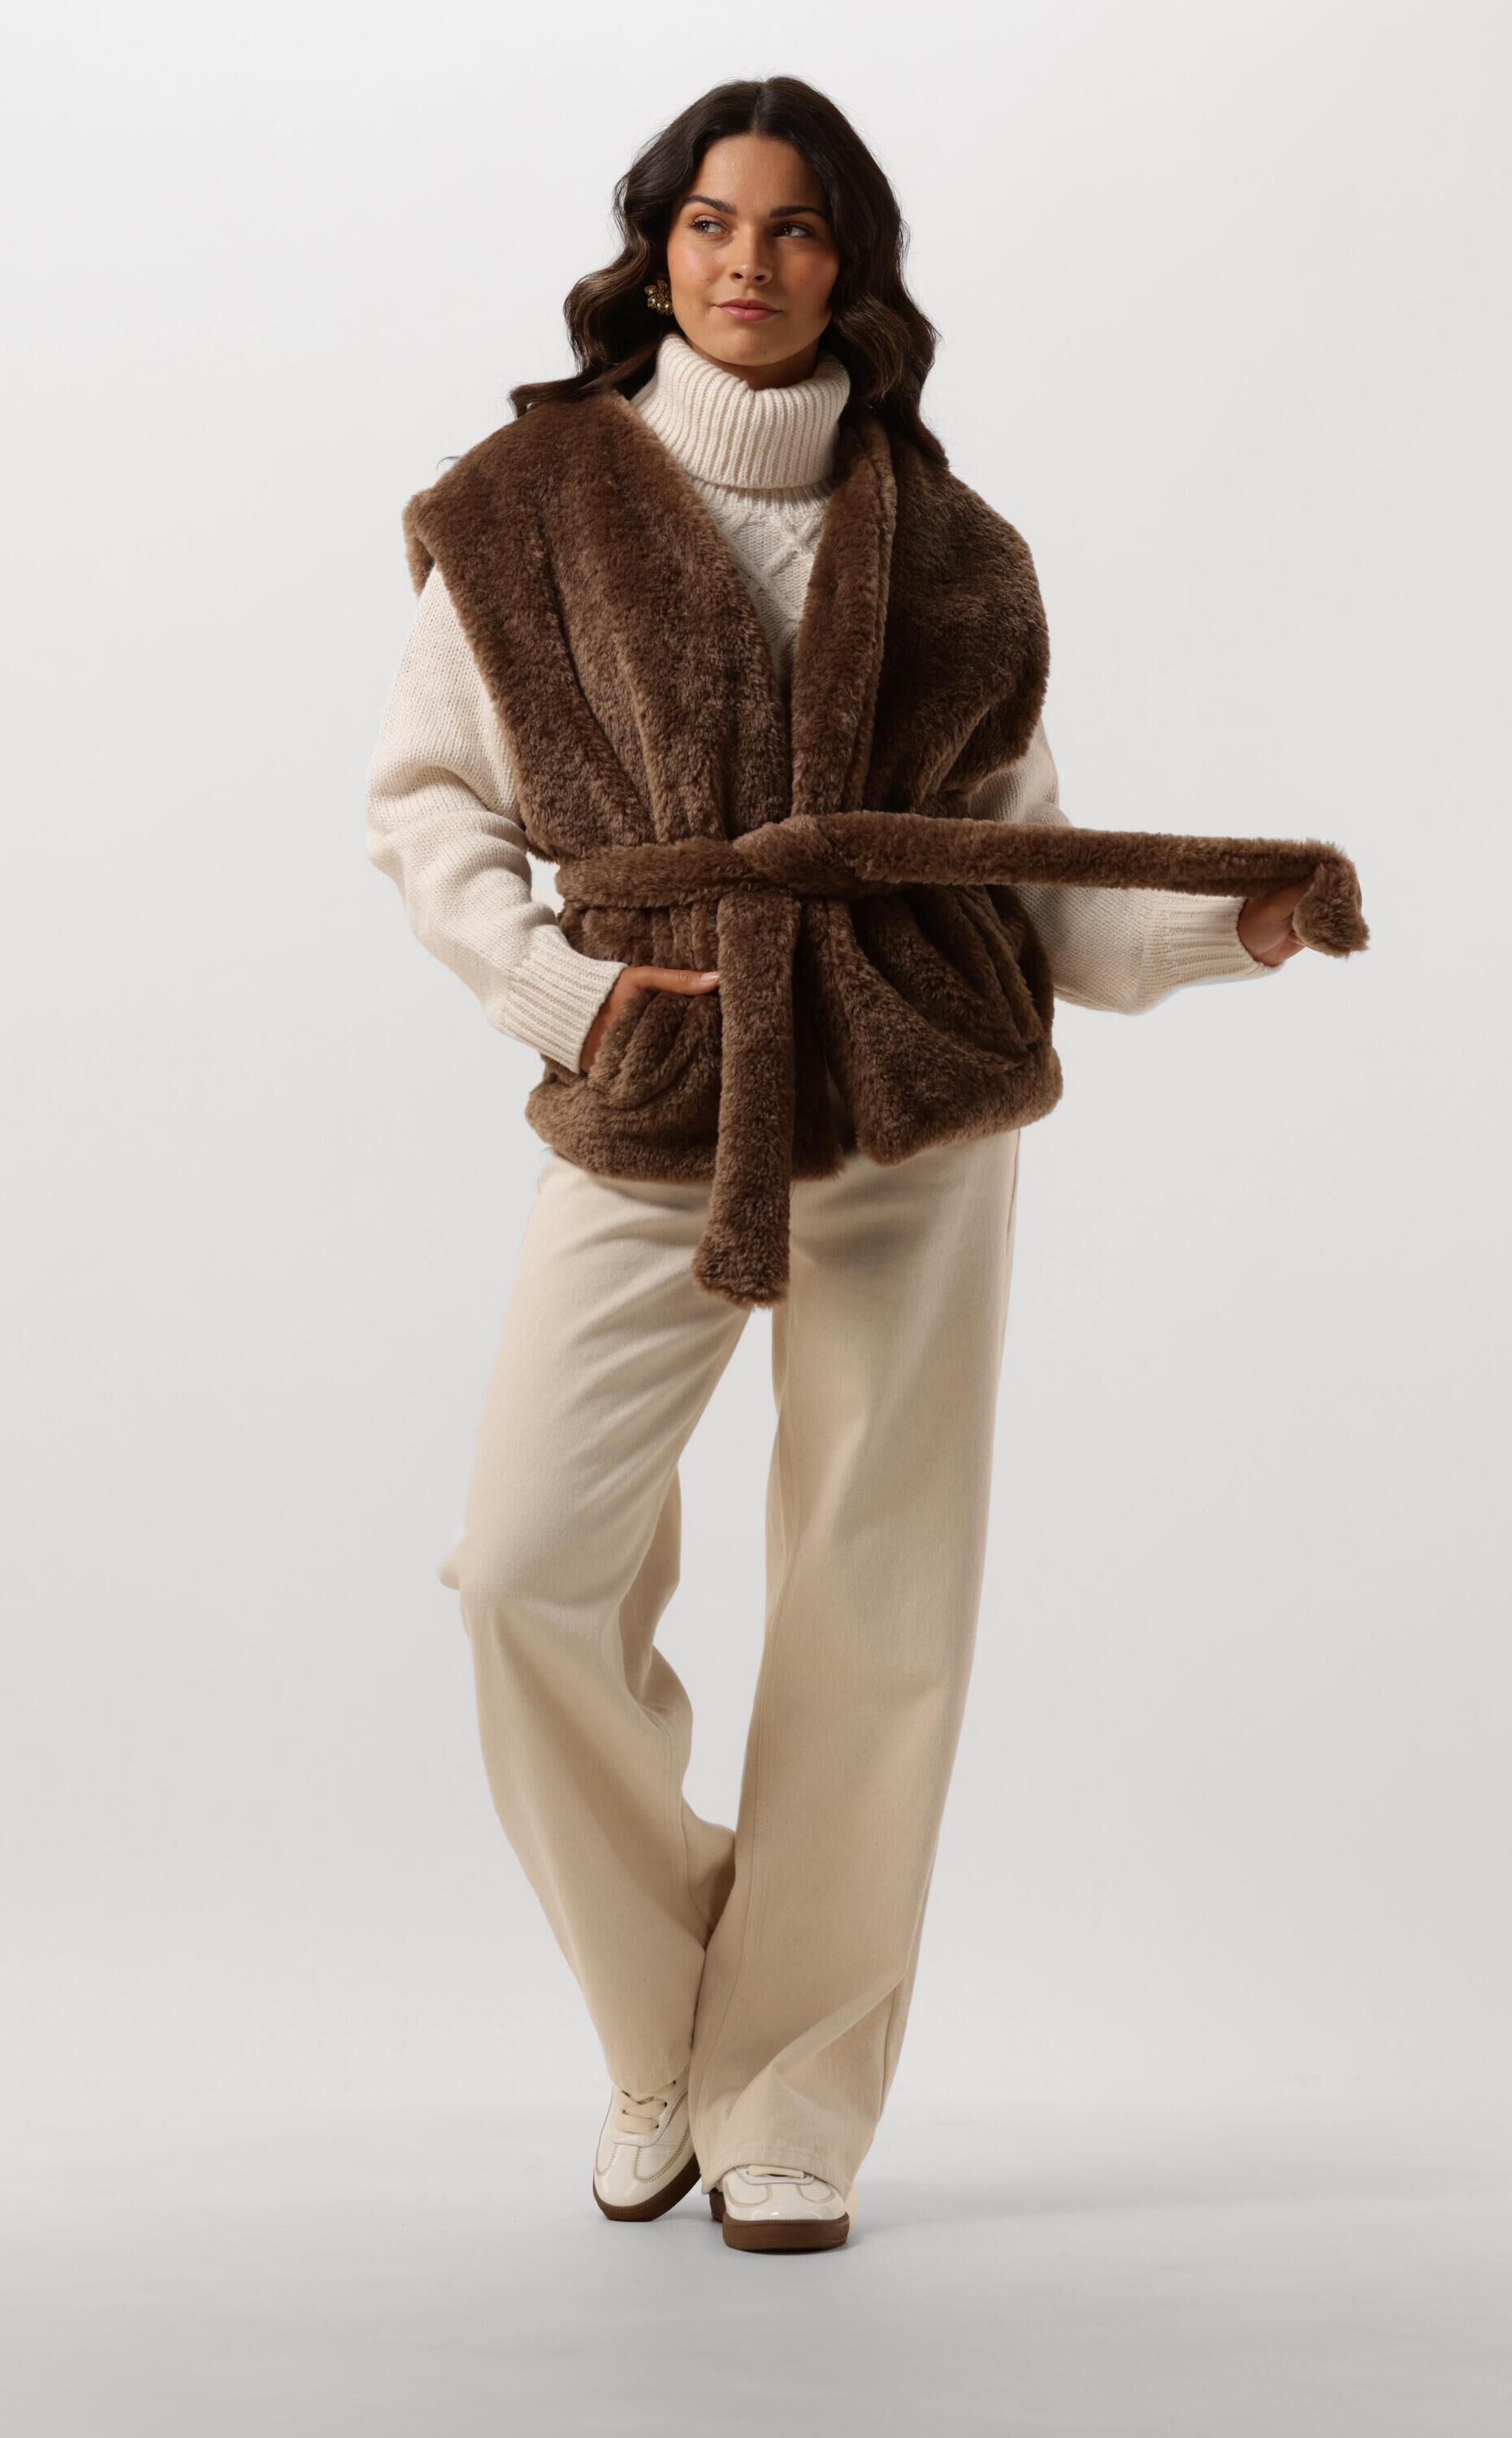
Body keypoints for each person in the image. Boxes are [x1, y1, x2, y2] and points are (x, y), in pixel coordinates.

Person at [366, 76, 1342, 2257]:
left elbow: (1021, 870)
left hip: (917, 1091)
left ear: (853, 266)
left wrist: (1229, 930)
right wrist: (568, 994)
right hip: (660, 1082)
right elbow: (428, 806)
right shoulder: (519, 507)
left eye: (797, 228)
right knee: (523, 1571)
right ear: (654, 247)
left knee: (874, 1599)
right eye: (712, 221)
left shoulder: (960, 551)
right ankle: (667, 2030)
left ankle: (793, 2090)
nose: (749, 261)